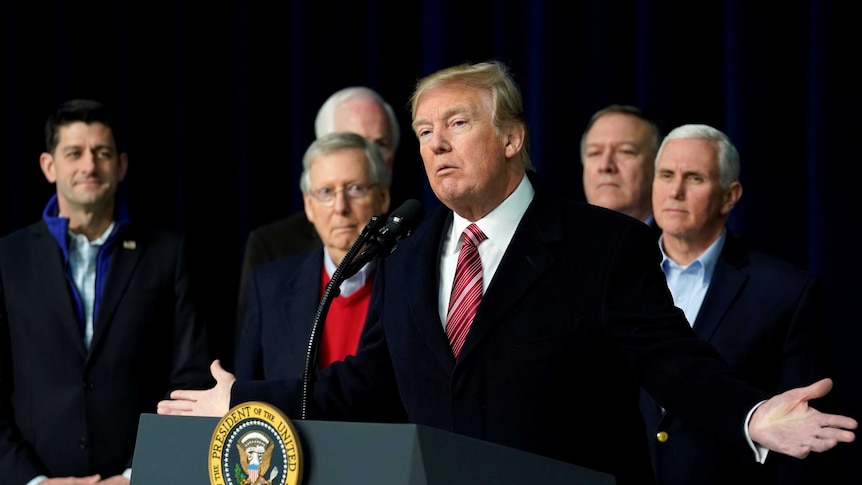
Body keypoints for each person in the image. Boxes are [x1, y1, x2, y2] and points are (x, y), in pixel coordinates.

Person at [157, 61, 856, 485]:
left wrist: (753, 413)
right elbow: (367, 384)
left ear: (513, 137)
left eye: (456, 123)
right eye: (424, 131)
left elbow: (672, 362)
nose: (434, 143)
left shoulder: (599, 244)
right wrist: (246, 400)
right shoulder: (405, 253)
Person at [0, 99, 214, 485]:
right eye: (74, 153)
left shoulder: (168, 254)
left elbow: (192, 379)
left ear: (121, 165)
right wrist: (34, 482)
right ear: (49, 166)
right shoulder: (6, 259)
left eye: (102, 153)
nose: (89, 166)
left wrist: (139, 473)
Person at [642, 123, 835, 484]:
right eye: (666, 175)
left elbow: (801, 434)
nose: (676, 191)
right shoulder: (615, 274)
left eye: (694, 178)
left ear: (730, 196)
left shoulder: (785, 291)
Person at [235, 86, 401, 346]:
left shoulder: (418, 243)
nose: (368, 156)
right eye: (350, 140)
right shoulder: (273, 247)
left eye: (380, 144)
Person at [234, 131, 392, 383]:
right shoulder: (269, 287)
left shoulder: (408, 282)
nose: (340, 207)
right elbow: (248, 390)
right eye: (326, 192)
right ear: (308, 205)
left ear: (382, 198)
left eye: (355, 189)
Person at [581, 104, 662, 231]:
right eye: (594, 152)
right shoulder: (558, 244)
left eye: (625, 151)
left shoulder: (677, 243)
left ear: (657, 165)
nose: (606, 166)